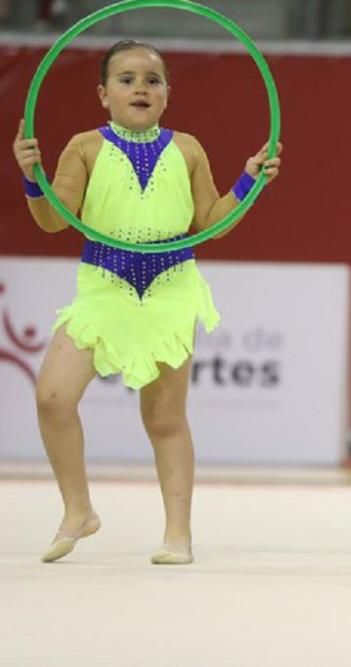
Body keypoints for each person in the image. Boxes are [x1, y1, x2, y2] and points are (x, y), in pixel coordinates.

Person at [10, 39, 282, 565]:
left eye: (152, 80)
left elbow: (211, 222)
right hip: (105, 287)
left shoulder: (188, 149)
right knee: (52, 397)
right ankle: (78, 508)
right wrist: (31, 178)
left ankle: (177, 535)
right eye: (127, 79)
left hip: (168, 286)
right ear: (103, 94)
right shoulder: (84, 147)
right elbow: (52, 221)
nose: (140, 88)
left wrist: (250, 180)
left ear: (167, 94)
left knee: (163, 418)